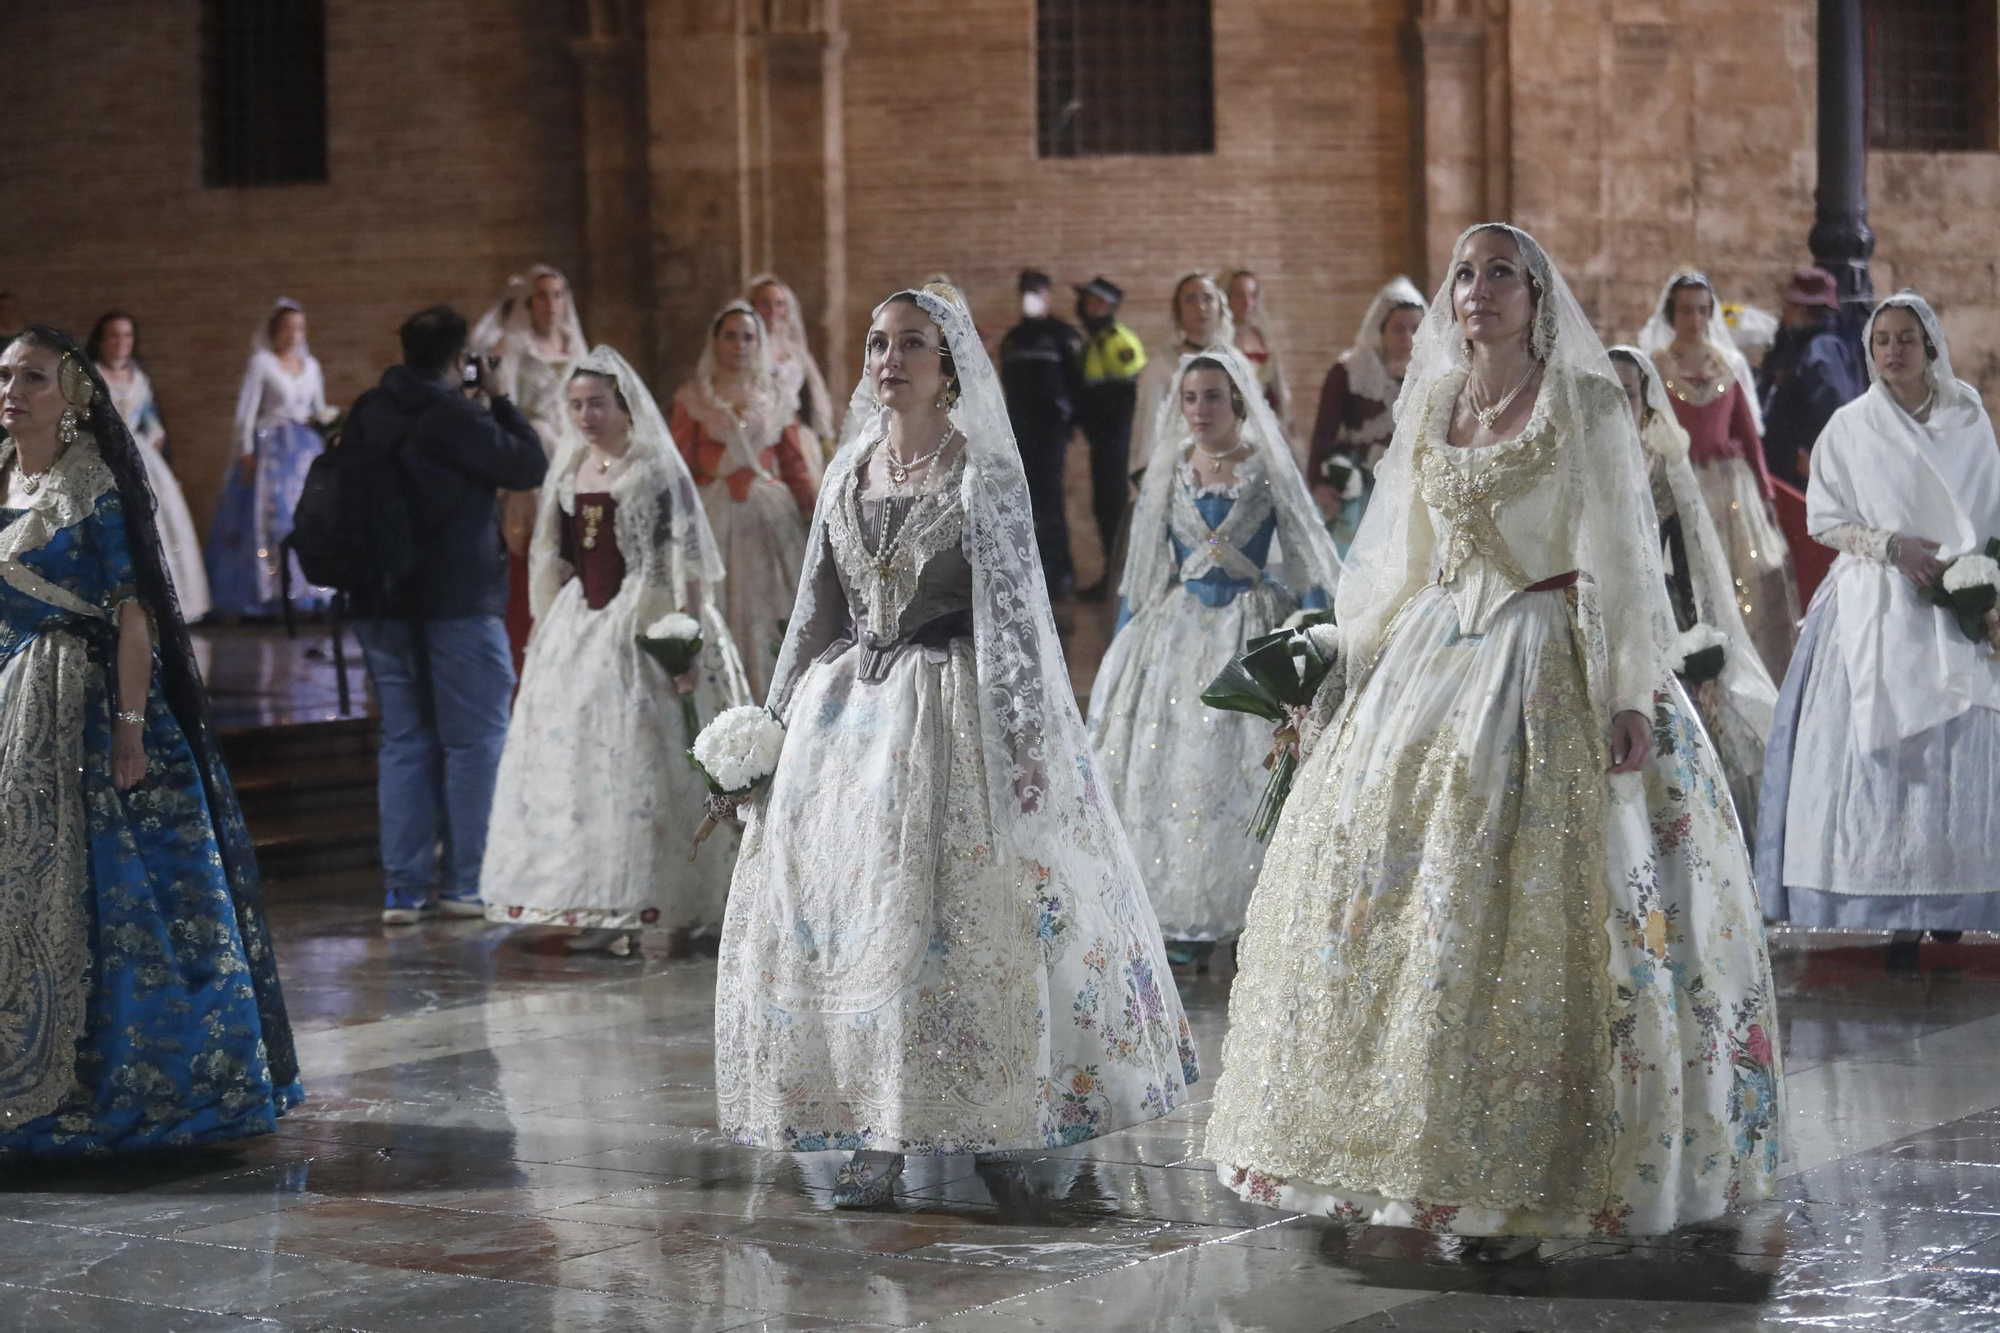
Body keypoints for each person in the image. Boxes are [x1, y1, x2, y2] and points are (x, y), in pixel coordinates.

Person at [1206, 225, 1781, 1253]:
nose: (1476, 291)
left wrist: (1630, 693)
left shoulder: (1584, 401)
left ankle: (1534, 1177)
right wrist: (1342, 663)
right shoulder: (1431, 403)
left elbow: (1620, 555)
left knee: (1526, 901)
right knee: (1395, 887)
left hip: (1545, 644)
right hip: (1436, 649)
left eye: (1499, 274)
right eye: (1463, 276)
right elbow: (1398, 561)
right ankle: (1420, 1154)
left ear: (1536, 296)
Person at [714, 282, 1199, 1209]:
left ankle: (997, 1117)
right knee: (860, 922)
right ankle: (876, 1128)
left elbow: (1017, 623)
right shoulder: (850, 467)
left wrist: (1026, 744)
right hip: (847, 723)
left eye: (911, 345)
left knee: (963, 919)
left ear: (949, 368)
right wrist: (765, 737)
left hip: (953, 713)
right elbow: (815, 611)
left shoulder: (984, 472)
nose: (889, 360)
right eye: (877, 343)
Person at [0, 326, 299, 1155]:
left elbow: (135, 612)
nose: (13, 390)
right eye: (5, 375)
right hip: (12, 696)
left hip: (86, 704)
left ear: (74, 398)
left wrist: (130, 727)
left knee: (118, 894)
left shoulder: (89, 481)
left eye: (33, 378)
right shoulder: (4, 472)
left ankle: (137, 1090)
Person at [482, 347, 752, 955]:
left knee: (642, 759)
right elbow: (557, 553)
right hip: (582, 623)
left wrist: (675, 638)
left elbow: (674, 563)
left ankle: (663, 902)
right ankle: (591, 900)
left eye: (596, 404)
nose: (585, 416)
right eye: (576, 405)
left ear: (623, 405)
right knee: (576, 760)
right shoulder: (571, 465)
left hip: (642, 616)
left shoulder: (652, 467)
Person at [1759, 292, 2000, 970]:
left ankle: (1950, 902)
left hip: (1957, 600)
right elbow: (1824, 518)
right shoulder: (1850, 425)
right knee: (1881, 756)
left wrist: (1976, 582)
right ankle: (1892, 908)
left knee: (1959, 750)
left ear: (1930, 346)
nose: (1893, 350)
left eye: (1906, 338)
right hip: (1874, 596)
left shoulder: (1967, 420)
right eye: (1882, 340)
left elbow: (1988, 510)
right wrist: (1891, 548)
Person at [1087, 347, 1341, 963]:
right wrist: (1118, 660)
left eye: (1213, 398)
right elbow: (1144, 572)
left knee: (1241, 769)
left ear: (1239, 403)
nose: (1200, 411)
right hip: (1174, 633)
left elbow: (1308, 561)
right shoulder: (1169, 469)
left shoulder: (1267, 470)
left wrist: (1322, 639)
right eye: (1191, 399)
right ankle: (1170, 915)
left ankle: (1246, 912)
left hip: (1248, 628)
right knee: (1161, 769)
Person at [341, 306, 548, 925]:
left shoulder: (369, 411)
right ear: (461, 359)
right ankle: (466, 881)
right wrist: (502, 400)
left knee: (404, 739)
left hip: (380, 599)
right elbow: (527, 464)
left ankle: (403, 890)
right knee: (475, 741)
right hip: (456, 600)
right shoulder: (457, 417)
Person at [1610, 345, 1778, 828]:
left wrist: (1699, 640)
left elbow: (1690, 564)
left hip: (1653, 612)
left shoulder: (1661, 469)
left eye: (1626, 395)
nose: (1618, 409)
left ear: (1645, 403)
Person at [1640, 271, 1801, 677]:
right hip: (1678, 481)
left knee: (1738, 580)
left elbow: (1747, 433)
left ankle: (1740, 665)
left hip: (1729, 488)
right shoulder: (1657, 367)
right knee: (1685, 572)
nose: (1694, 319)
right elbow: (1646, 427)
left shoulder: (1727, 366)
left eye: (1701, 310)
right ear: (1672, 315)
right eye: (1686, 311)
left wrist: (1765, 494)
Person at [671, 302, 818, 699]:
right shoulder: (693, 398)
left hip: (768, 518)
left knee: (771, 608)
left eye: (748, 337)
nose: (739, 345)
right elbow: (679, 466)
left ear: (761, 343)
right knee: (716, 605)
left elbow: (793, 463)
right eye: (730, 336)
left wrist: (812, 515)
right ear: (715, 342)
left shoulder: (777, 397)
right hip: (713, 514)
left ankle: (777, 697)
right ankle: (720, 699)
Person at [204, 298, 334, 617]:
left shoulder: (312, 366)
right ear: (274, 331)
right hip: (272, 449)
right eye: (287, 328)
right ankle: (270, 591)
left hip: (304, 450)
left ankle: (309, 590)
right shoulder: (262, 362)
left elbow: (319, 408)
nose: (294, 335)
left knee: (307, 516)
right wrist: (245, 451)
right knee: (274, 520)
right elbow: (245, 412)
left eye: (300, 329)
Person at [88, 311, 211, 622]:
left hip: (141, 457)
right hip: (101, 455)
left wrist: (156, 435)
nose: (121, 342)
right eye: (114, 335)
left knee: (158, 521)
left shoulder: (139, 378)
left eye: (127, 336)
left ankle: (159, 601)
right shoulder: (91, 375)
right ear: (102, 340)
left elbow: (150, 419)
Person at [1307, 276, 1426, 554]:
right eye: (1398, 329)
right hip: (1362, 490)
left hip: (1417, 489)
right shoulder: (1349, 371)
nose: (1408, 338)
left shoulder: (1433, 372)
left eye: (1416, 329)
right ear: (1380, 329)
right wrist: (1318, 483)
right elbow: (1322, 435)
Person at [998, 269, 1085, 598]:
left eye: (1037, 291)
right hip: (1019, 432)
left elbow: (1076, 382)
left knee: (1051, 501)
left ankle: (1060, 573)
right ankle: (1029, 573)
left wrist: (1069, 421)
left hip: (1051, 433)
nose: (1030, 296)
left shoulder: (1061, 335)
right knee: (1023, 502)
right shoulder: (1014, 338)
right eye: (1026, 291)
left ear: (1048, 295)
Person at [1758, 266, 1867, 489]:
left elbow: (1833, 402)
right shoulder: (1796, 348)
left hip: (1804, 474)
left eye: (1789, 306)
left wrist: (1812, 449)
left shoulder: (1823, 350)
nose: (1784, 312)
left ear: (1803, 310)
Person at [1073, 276, 1147, 599]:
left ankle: (1122, 579)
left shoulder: (1116, 339)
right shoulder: (1095, 340)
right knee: (1104, 506)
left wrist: (1111, 428)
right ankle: (1112, 575)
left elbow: (1132, 390)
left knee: (1114, 507)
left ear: (1107, 305)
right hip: (1102, 439)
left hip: (1115, 439)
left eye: (1093, 302)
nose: (1086, 308)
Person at [1130, 273, 1236, 480]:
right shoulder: (1162, 367)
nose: (1201, 307)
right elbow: (1149, 430)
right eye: (1191, 300)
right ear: (1178, 312)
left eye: (1208, 298)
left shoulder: (1236, 364)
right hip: (1181, 477)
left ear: (1220, 307)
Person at [747, 273, 837, 482]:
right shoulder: (744, 350)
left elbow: (816, 396)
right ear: (753, 306)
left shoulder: (796, 354)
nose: (772, 312)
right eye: (765, 304)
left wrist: (825, 437)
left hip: (793, 436)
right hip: (753, 436)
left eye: (779, 304)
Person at [1225, 270, 1293, 454]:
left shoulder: (1264, 341)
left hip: (1265, 429)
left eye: (1252, 295)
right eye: (1240, 295)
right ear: (1227, 298)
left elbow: (1278, 395)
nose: (1247, 303)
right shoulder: (1219, 341)